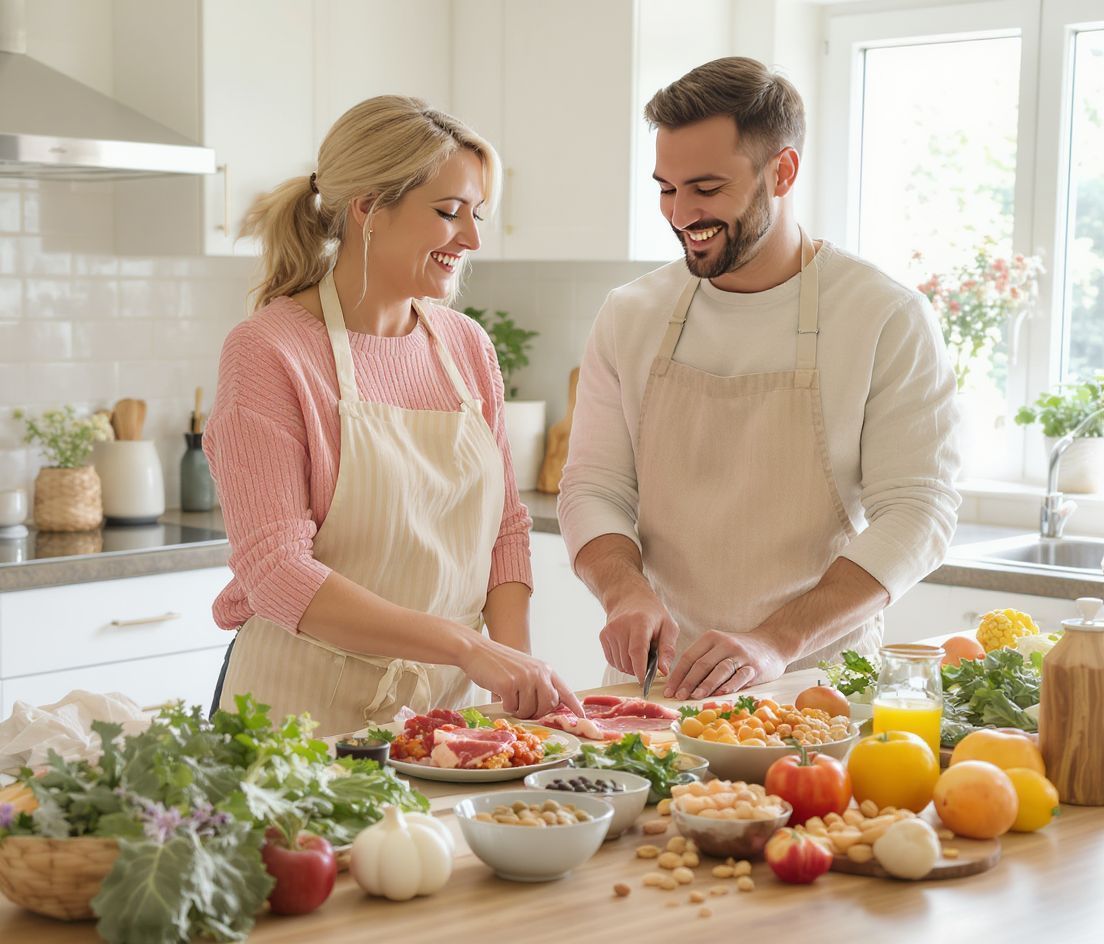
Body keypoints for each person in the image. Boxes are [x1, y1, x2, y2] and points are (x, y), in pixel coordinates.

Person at [558, 57, 961, 702]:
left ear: (783, 171)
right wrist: (624, 591)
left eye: (707, 189)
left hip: (813, 689)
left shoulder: (884, 315)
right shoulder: (631, 313)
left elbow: (919, 511)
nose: (681, 213)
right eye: (666, 188)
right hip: (653, 690)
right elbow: (593, 485)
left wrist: (777, 640)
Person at [204, 95, 582, 735]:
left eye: (477, 214)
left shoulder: (466, 347)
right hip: (295, 715)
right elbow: (276, 571)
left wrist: (513, 665)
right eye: (448, 212)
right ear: (368, 209)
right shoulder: (270, 350)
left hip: (441, 718)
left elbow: (506, 532)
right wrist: (467, 647)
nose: (472, 238)